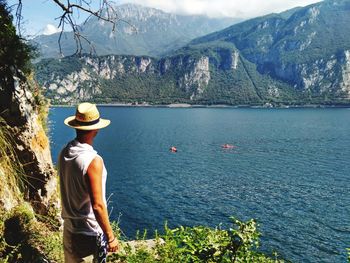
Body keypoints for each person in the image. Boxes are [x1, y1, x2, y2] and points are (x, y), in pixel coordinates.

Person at [58, 102, 119, 262]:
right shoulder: (93, 161)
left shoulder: (65, 152)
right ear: (96, 129)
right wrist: (110, 237)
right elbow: (98, 205)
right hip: (89, 234)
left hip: (69, 230)